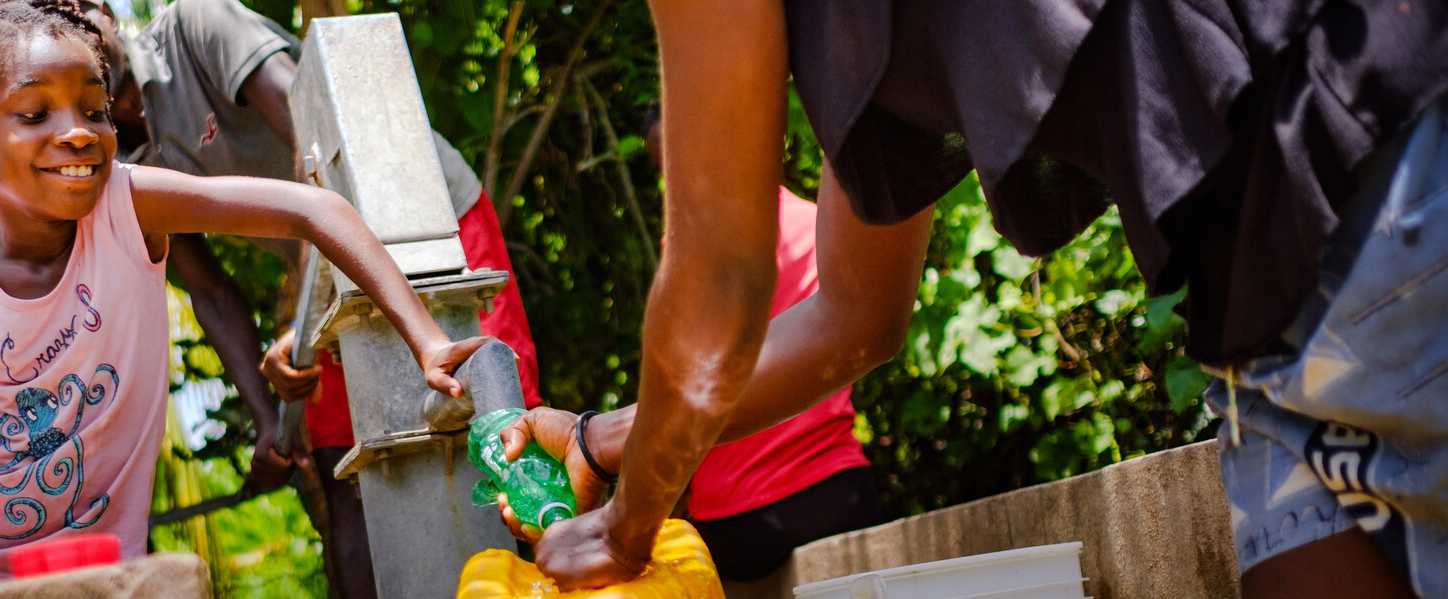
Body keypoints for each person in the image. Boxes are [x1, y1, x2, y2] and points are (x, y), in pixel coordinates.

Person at [498, 0, 1448, 597]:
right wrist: (598, 440)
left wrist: (629, 529)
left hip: (1357, 159)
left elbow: (718, 290)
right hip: (1275, 289)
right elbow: (853, 320)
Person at [0, 1, 491, 595]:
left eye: (94, 108)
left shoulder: (128, 205)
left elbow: (315, 209)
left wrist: (426, 339)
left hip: (87, 567)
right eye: (35, 112)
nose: (76, 129)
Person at [85, 1, 546, 597]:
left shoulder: (199, 25)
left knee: (506, 419)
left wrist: (304, 320)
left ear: (103, 9)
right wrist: (265, 419)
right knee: (342, 466)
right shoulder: (101, 153)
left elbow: (316, 145)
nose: (67, 28)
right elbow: (209, 289)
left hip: (431, 220)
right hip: (324, 278)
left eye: (72, 8)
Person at [651, 105, 882, 583]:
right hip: (837, 492)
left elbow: (683, 378)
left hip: (736, 518)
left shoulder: (693, 245)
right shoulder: (820, 224)